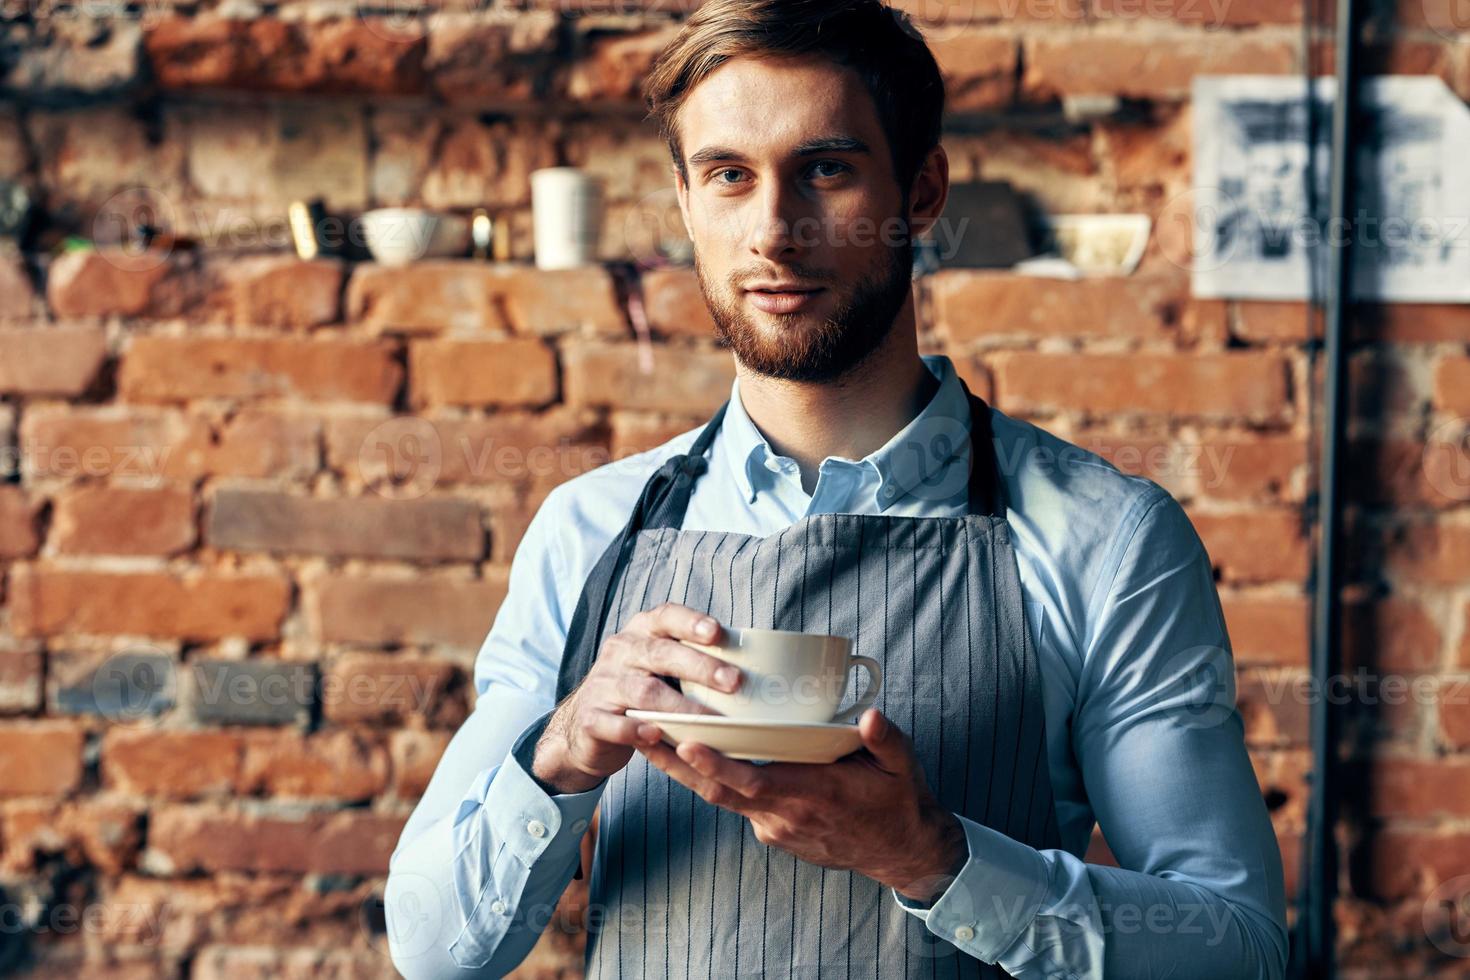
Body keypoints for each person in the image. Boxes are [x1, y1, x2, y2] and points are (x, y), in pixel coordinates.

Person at [385, 2, 1288, 977]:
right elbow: (435, 949)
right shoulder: (589, 529)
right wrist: (561, 750)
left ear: (923, 188)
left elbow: (1238, 943)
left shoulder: (1107, 537)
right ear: (687, 203)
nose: (773, 231)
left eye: (825, 169)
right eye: (729, 176)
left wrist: (934, 857)